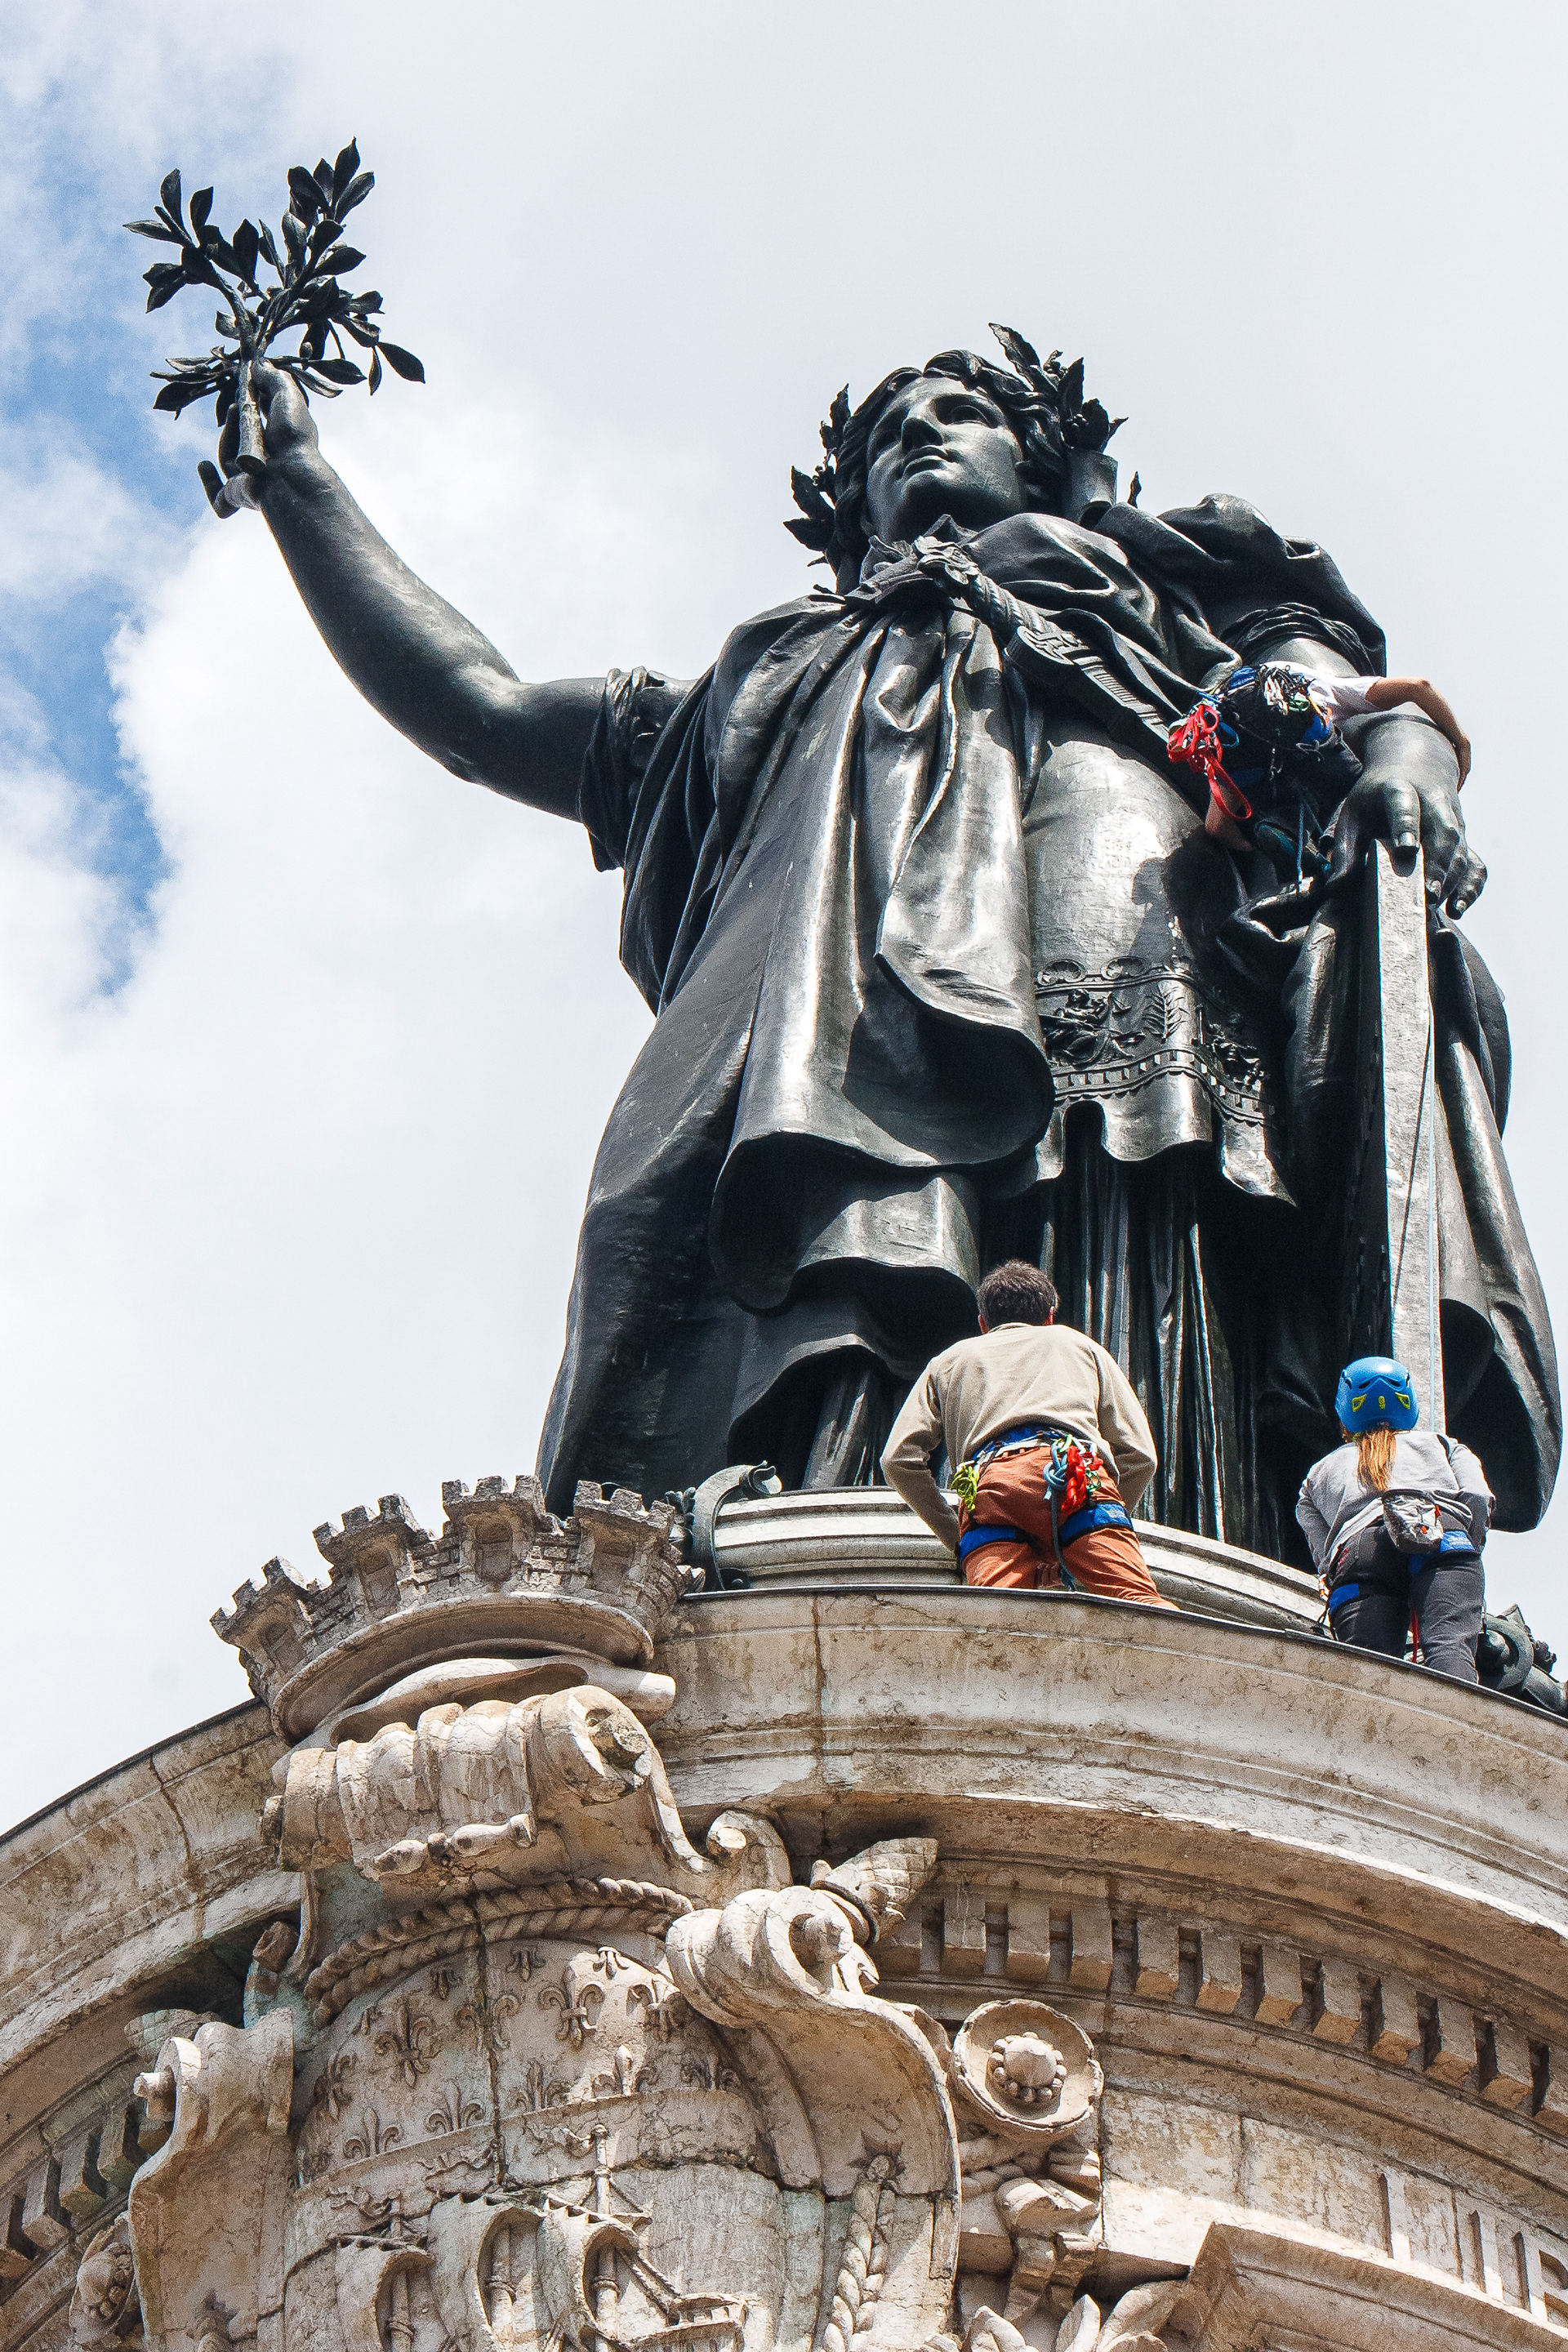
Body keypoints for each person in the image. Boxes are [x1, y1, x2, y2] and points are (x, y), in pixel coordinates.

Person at [208, 329, 1557, 1547]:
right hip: (828, 1016)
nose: (921, 433)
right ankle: (830, 1515)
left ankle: (1169, 1529)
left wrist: (1411, 780)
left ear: (1045, 457)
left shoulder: (1166, 581)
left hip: (1128, 904)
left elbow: (1362, 707)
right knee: (830, 1225)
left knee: (1122, 1176)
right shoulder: (771, 674)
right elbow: (481, 709)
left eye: (961, 410)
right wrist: (301, 486)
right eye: (891, 431)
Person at [880, 1260, 1171, 1605]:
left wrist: (955, 1536)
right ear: (1050, 1316)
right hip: (1076, 1478)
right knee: (1142, 1604)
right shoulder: (1079, 1345)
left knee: (995, 1619)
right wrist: (1097, 1519)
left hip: (992, 1487)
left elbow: (897, 1459)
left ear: (983, 1324)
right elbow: (1140, 1455)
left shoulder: (949, 1361)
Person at [1296, 1355, 1492, 1681]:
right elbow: (1478, 1497)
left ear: (1346, 1413)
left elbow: (1322, 1550)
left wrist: (1336, 1570)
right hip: (1441, 1534)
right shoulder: (1444, 1446)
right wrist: (1463, 1547)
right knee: (1449, 1649)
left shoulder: (1317, 1474)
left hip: (1362, 1553)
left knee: (1370, 1670)